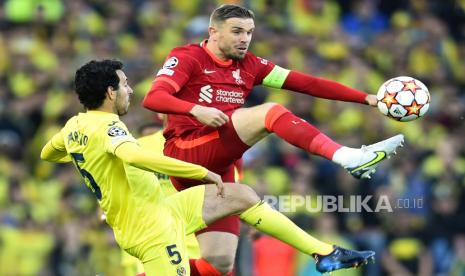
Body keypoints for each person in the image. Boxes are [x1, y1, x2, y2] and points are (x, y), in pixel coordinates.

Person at [41, 59, 376, 275]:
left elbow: (48, 153)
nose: (130, 89)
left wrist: (80, 154)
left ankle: (324, 252)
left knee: (240, 195)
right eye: (125, 84)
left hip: (163, 210)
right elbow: (132, 155)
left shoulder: (74, 127)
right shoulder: (109, 128)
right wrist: (199, 172)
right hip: (151, 231)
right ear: (111, 92)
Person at [142, 4, 404, 274]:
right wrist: (196, 109)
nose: (244, 38)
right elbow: (153, 98)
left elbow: (306, 83)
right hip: (186, 152)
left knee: (217, 264)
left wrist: (366, 98)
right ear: (214, 32)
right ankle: (349, 157)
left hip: (217, 172)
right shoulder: (189, 57)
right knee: (270, 112)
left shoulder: (251, 65)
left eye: (249, 32)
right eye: (236, 31)